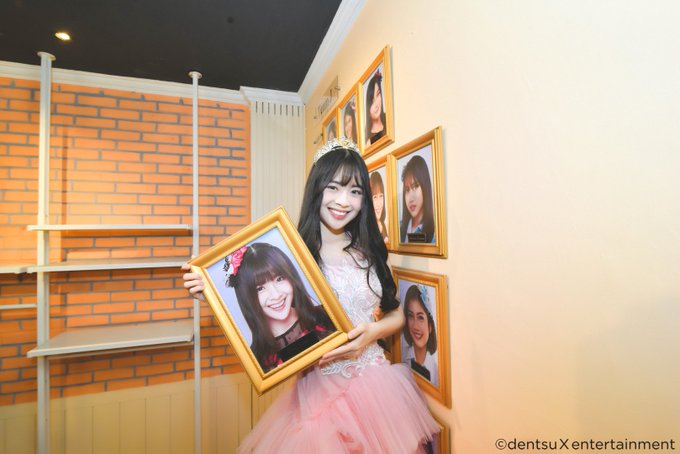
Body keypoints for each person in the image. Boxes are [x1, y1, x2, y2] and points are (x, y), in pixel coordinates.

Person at [182, 137, 439, 453]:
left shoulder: (369, 250)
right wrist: (212, 293)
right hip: (320, 398)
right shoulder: (292, 255)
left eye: (355, 191)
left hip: (376, 389)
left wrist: (371, 333)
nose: (343, 201)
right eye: (334, 187)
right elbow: (264, 316)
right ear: (317, 189)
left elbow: (395, 311)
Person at [224, 242, 334, 372]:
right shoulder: (256, 359)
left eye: (279, 279)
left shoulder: (327, 317)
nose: (276, 295)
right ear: (247, 298)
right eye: (260, 288)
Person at [401, 284, 439, 386]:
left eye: (420, 317)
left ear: (430, 326)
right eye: (410, 316)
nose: (415, 326)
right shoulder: (401, 356)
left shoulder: (436, 372)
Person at [399, 154, 435, 244]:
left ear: (425, 186)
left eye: (415, 186)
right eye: (407, 190)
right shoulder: (400, 229)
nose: (410, 198)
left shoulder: (434, 234)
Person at [364, 70, 387, 146]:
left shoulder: (388, 120)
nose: (376, 104)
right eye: (372, 101)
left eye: (378, 94)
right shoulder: (366, 137)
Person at [370, 170, 389, 244]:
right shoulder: (366, 228)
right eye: (375, 197)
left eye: (381, 196)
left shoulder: (386, 227)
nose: (379, 204)